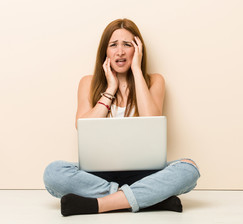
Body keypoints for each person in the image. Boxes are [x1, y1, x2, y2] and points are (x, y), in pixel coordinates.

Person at [43, 18, 200, 216]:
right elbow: (82, 126)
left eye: (128, 45)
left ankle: (100, 204)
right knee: (53, 173)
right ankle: (147, 199)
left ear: (138, 50)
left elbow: (150, 118)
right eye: (113, 45)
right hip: (98, 174)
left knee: (189, 169)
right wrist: (110, 89)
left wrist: (136, 70)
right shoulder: (88, 83)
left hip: (145, 173)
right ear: (105, 51)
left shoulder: (154, 81)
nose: (120, 52)